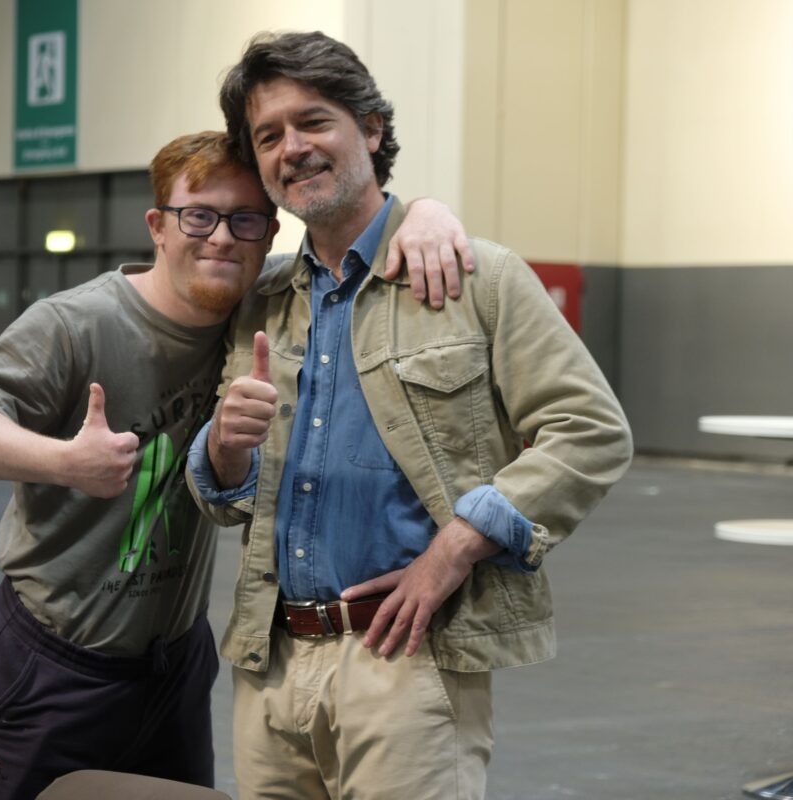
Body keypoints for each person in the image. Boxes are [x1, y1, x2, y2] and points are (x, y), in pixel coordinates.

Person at [0, 130, 473, 799]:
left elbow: (354, 251)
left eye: (245, 220)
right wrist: (64, 462)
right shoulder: (76, 324)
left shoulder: (261, 309)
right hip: (54, 661)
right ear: (158, 226)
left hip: (174, 664)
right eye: (198, 216)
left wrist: (425, 213)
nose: (221, 238)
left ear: (270, 234)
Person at [186, 31, 634, 800]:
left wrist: (456, 546)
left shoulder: (476, 278)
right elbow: (229, 500)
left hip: (406, 660)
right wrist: (222, 452)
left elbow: (590, 431)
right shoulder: (259, 303)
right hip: (270, 663)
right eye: (269, 136)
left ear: (371, 128)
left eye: (313, 121)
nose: (293, 148)